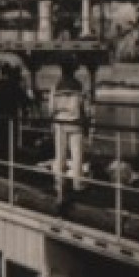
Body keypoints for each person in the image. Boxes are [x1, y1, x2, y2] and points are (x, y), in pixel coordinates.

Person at [48, 71, 91, 208]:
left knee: (60, 156)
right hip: (75, 122)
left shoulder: (56, 86)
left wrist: (53, 118)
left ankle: (60, 184)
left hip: (60, 122)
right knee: (77, 155)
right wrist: (86, 120)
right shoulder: (78, 85)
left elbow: (51, 107)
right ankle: (77, 184)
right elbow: (86, 107)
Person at [0, 64, 30, 156]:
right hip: (11, 115)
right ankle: (11, 158)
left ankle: (3, 158)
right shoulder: (13, 85)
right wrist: (26, 108)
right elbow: (23, 99)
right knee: (11, 138)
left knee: (2, 138)